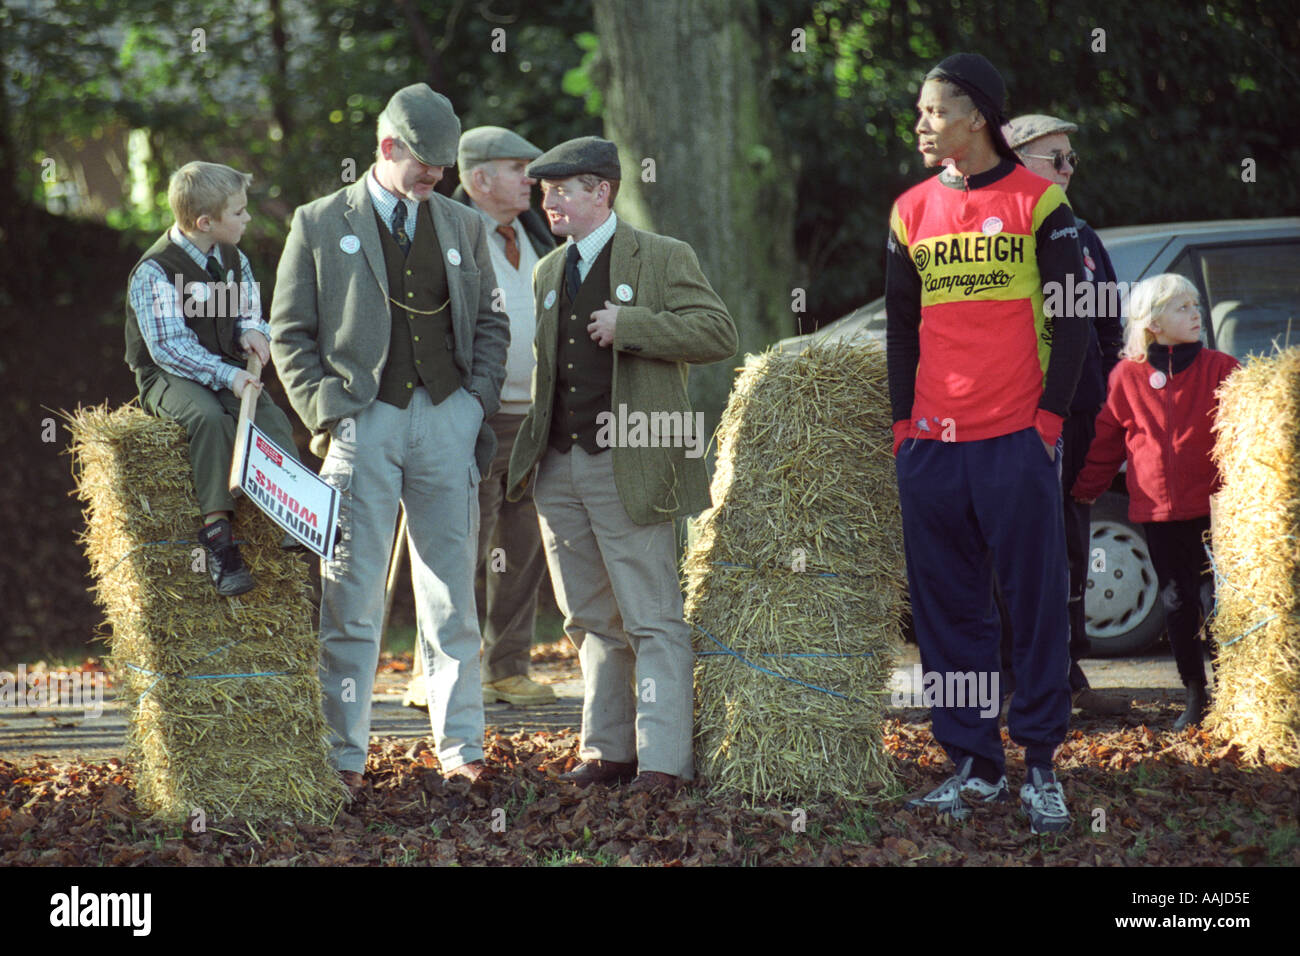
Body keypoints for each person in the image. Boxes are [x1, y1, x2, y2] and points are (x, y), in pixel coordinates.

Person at [270, 84, 509, 793]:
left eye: (443, 166)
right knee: (351, 598)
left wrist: (474, 405)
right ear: (386, 148)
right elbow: (289, 332)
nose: (435, 178)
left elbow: (492, 324)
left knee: (451, 600)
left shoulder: (463, 227)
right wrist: (329, 413)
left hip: (447, 421)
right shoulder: (317, 223)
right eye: (424, 164)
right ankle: (345, 757)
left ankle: (461, 749)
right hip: (361, 425)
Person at [886, 53, 1089, 833]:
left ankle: (1040, 766)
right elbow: (903, 330)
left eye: (934, 111)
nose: (921, 124)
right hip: (933, 448)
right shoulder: (908, 209)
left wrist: (1048, 424)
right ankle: (973, 766)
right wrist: (906, 431)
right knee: (947, 612)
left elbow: (1073, 325)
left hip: (1016, 439)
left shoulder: (1043, 204)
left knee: (1034, 606)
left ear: (976, 115)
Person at [506, 136, 736, 793]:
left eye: (561, 188)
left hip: (631, 462)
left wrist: (633, 324)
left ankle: (662, 759)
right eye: (544, 190)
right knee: (589, 620)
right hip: (560, 467)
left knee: (652, 615)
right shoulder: (549, 272)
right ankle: (608, 751)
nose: (548, 200)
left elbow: (718, 332)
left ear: (600, 192)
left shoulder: (663, 257)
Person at [403, 126, 557, 710]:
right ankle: (437, 668)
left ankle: (506, 667)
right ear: (478, 178)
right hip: (471, 416)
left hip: (535, 416)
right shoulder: (446, 231)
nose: (531, 180)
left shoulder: (536, 232)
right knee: (455, 543)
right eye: (518, 168)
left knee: (521, 547)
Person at [1002, 114, 1129, 717]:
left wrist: (1098, 396)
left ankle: (1067, 665)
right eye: (1057, 158)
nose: (1069, 169)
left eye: (1073, 159)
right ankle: (1011, 669)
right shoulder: (996, 234)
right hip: (1010, 416)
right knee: (1014, 542)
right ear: (1017, 161)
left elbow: (1108, 327)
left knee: (1070, 539)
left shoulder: (1081, 236)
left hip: (1074, 413)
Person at [1071, 275, 1239, 730]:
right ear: (1153, 323)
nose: (1195, 313)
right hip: (1158, 512)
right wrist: (1086, 487)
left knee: (1216, 599)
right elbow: (1108, 439)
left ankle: (1230, 691)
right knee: (1176, 600)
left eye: (1195, 305)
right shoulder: (1127, 376)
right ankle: (1194, 694)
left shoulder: (1222, 368)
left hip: (1212, 509)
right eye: (1182, 307)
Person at [126, 161, 300, 596]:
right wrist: (229, 376)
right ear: (206, 222)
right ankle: (219, 536)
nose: (247, 219)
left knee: (271, 420)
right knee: (209, 419)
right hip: (169, 375)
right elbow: (170, 348)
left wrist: (253, 331)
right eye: (239, 212)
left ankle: (291, 516)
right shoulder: (155, 272)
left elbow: (247, 309)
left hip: (220, 364)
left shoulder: (231, 256)